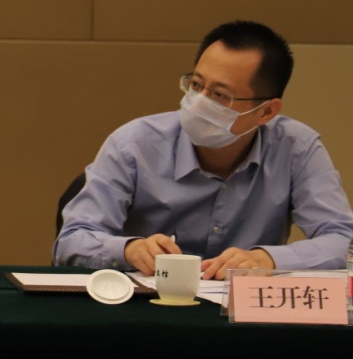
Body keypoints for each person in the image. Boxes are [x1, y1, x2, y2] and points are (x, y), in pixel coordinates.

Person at [54, 21, 353, 279]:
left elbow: (343, 239)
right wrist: (129, 250)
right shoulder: (134, 145)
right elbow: (71, 241)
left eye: (220, 95)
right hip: (146, 308)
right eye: (196, 86)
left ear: (266, 112)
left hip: (243, 315)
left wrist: (268, 259)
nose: (199, 102)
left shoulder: (296, 148)